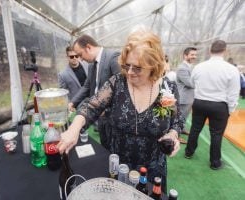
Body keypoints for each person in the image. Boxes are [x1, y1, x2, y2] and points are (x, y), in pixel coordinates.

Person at [57, 29, 183, 192]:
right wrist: (74, 129)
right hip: (119, 167)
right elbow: (91, 106)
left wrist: (173, 134)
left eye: (137, 68)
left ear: (153, 65)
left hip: (152, 170)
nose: (129, 72)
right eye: (126, 65)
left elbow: (178, 119)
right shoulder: (117, 83)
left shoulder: (168, 88)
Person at [185, 40, 240, 170]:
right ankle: (215, 162)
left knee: (195, 128)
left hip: (200, 102)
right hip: (219, 105)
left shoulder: (199, 67)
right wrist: (230, 110)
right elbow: (233, 93)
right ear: (225, 51)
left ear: (210, 51)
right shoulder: (231, 69)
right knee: (216, 134)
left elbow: (193, 83)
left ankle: (189, 152)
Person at [68, 34, 120, 149]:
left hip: (112, 118)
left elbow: (122, 90)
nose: (80, 59)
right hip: (98, 116)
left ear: (88, 47)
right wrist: (73, 102)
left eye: (80, 55)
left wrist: (107, 110)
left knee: (115, 150)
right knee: (104, 147)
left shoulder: (113, 57)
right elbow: (86, 87)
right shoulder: (92, 65)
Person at [176, 47, 197, 143]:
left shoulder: (190, 67)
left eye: (195, 55)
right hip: (183, 98)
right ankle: (176, 136)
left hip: (189, 97)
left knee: (185, 116)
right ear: (185, 55)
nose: (194, 56)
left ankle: (182, 129)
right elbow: (190, 83)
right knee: (180, 117)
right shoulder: (182, 68)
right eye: (192, 54)